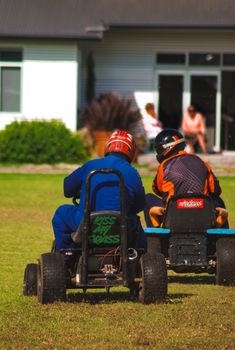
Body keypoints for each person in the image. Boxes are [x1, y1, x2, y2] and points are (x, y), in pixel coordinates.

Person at [52, 130, 146, 252]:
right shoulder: (133, 173)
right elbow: (139, 205)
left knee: (61, 213)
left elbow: (67, 189)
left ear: (108, 146)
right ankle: (137, 257)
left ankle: (67, 255)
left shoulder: (91, 165)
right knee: (135, 221)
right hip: (120, 226)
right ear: (131, 152)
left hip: (86, 223)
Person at [144, 128, 228, 228]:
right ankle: (221, 238)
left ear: (166, 148)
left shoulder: (164, 166)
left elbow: (157, 189)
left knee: (148, 198)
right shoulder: (201, 162)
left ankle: (156, 238)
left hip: (173, 215)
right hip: (202, 214)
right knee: (218, 201)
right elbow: (216, 190)